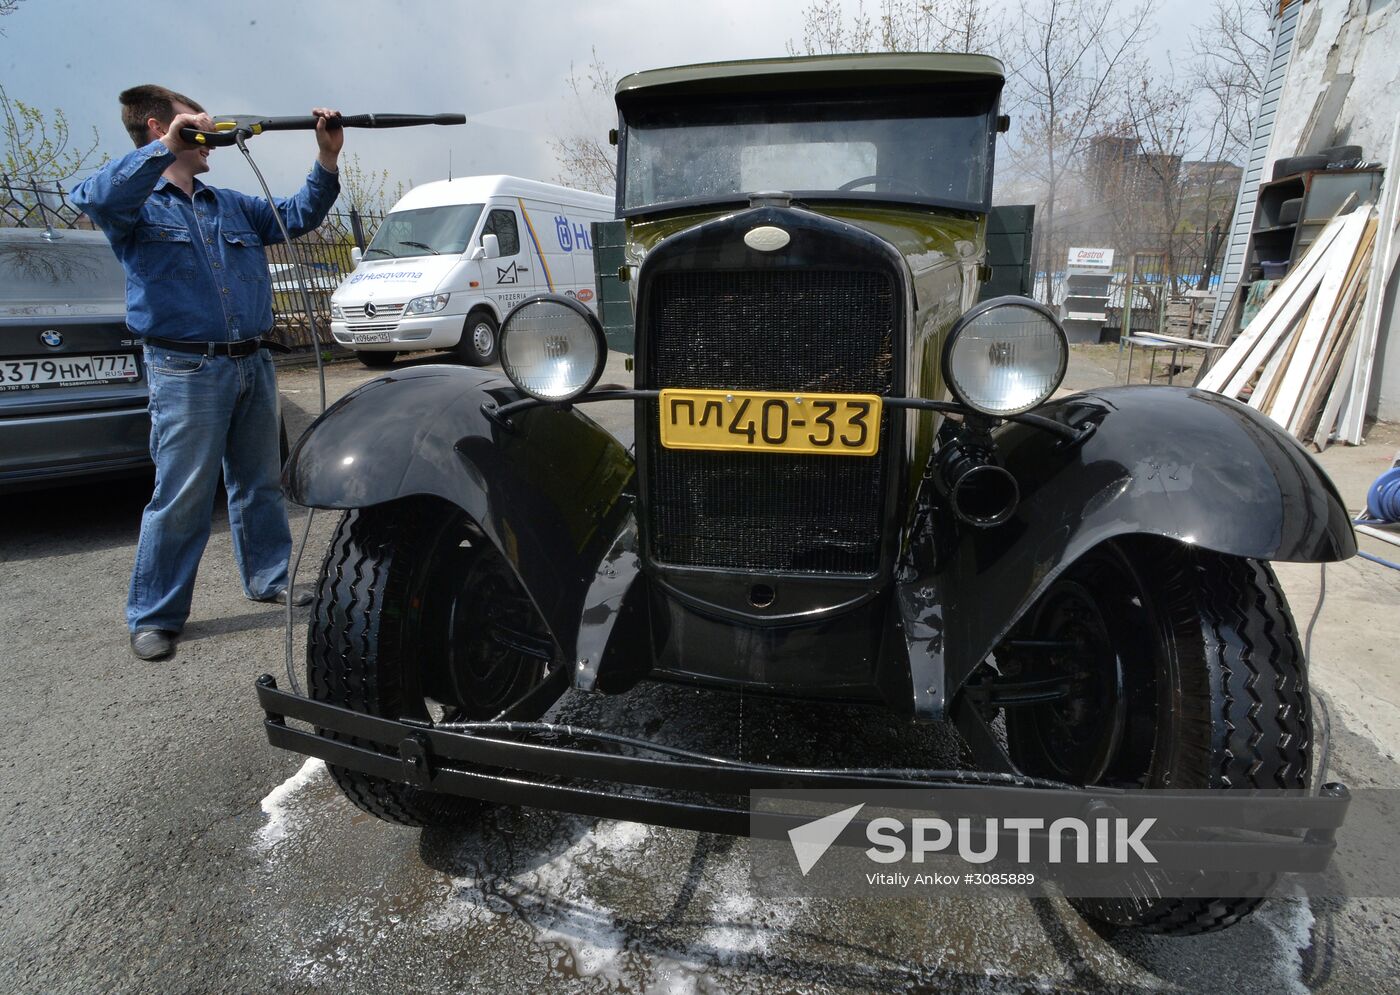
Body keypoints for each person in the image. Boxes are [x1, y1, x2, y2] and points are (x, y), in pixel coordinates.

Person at [72, 85, 343, 661]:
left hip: (252, 361)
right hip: (186, 369)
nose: (211, 137)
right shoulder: (134, 207)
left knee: (259, 483)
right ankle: (156, 616)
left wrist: (326, 159)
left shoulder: (231, 205)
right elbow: (93, 197)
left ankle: (270, 578)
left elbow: (296, 217)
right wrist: (164, 148)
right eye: (197, 126)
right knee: (184, 495)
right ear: (158, 128)